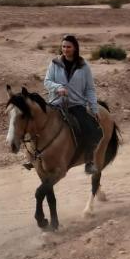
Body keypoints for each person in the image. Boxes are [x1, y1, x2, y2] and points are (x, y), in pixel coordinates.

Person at [44, 34, 102, 174]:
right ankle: (33, 157)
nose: (65, 49)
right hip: (56, 103)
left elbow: (89, 89)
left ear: (75, 48)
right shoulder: (54, 63)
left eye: (68, 47)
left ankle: (89, 161)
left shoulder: (84, 67)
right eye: (63, 46)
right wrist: (58, 88)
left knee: (92, 130)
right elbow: (47, 81)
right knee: (36, 123)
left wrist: (94, 108)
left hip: (76, 105)